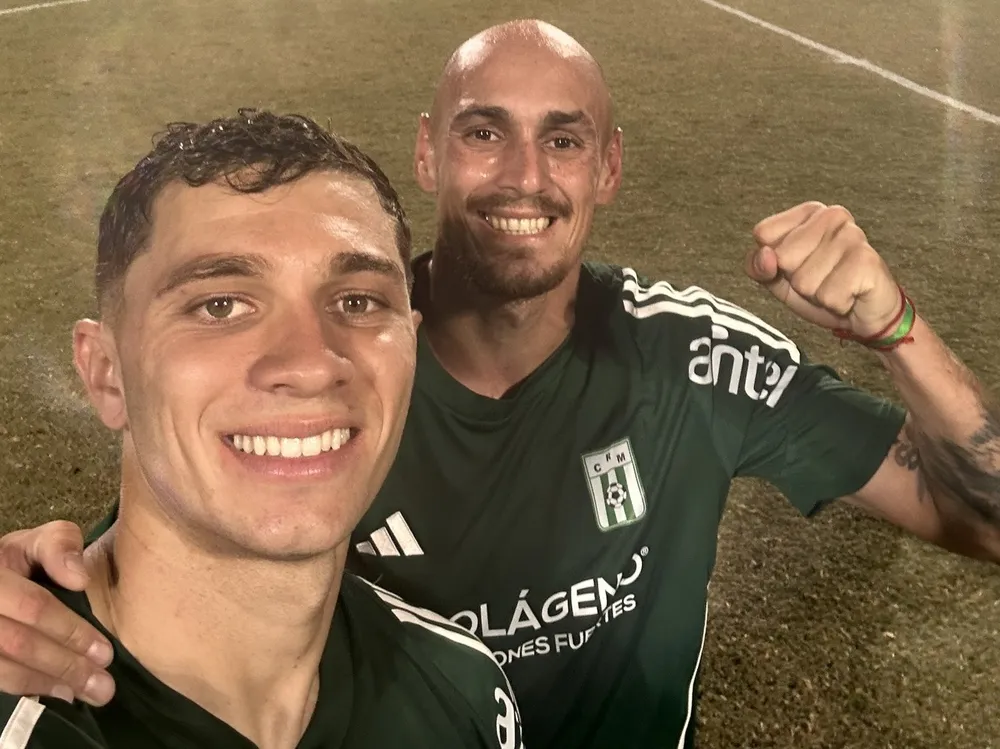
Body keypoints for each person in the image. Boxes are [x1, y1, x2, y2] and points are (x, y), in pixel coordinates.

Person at [1, 18, 999, 749]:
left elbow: (983, 518)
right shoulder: (347, 386)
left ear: (607, 167)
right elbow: (172, 540)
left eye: (562, 140)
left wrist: (896, 329)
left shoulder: (691, 358)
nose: (525, 175)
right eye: (485, 132)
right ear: (430, 151)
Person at [0, 109, 523, 749]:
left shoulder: (464, 688)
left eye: (357, 302)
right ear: (108, 374)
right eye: (220, 305)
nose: (310, 364)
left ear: (410, 350)